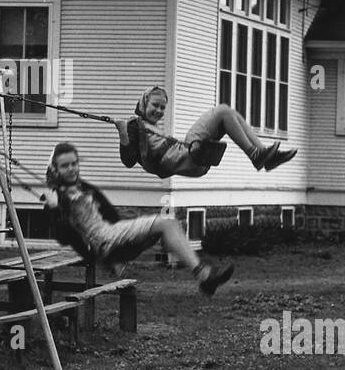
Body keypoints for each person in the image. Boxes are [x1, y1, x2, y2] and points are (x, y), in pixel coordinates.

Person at [42, 142, 235, 295]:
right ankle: (203, 275)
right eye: (65, 166)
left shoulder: (77, 187)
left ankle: (203, 276)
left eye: (74, 163)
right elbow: (63, 234)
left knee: (166, 225)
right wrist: (53, 208)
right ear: (55, 170)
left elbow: (100, 214)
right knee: (165, 223)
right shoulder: (58, 195)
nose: (72, 169)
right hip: (105, 240)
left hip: (111, 233)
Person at [116, 86, 297, 179]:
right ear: (144, 103)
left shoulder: (150, 128)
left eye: (163, 107)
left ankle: (264, 157)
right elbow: (128, 161)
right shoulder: (134, 125)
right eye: (155, 105)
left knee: (229, 114)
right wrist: (123, 134)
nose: (159, 111)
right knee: (223, 111)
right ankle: (256, 155)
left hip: (192, 160)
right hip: (187, 155)